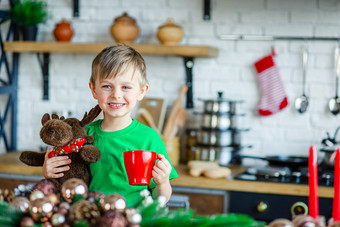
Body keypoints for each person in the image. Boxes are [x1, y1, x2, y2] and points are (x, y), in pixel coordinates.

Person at [42, 44, 178, 207]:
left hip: (133, 219)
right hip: (88, 216)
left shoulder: (150, 139)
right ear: (93, 89)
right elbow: (65, 180)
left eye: (126, 87)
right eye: (107, 86)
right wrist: (48, 171)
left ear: (142, 91)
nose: (116, 95)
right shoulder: (82, 135)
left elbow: (160, 197)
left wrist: (162, 183)